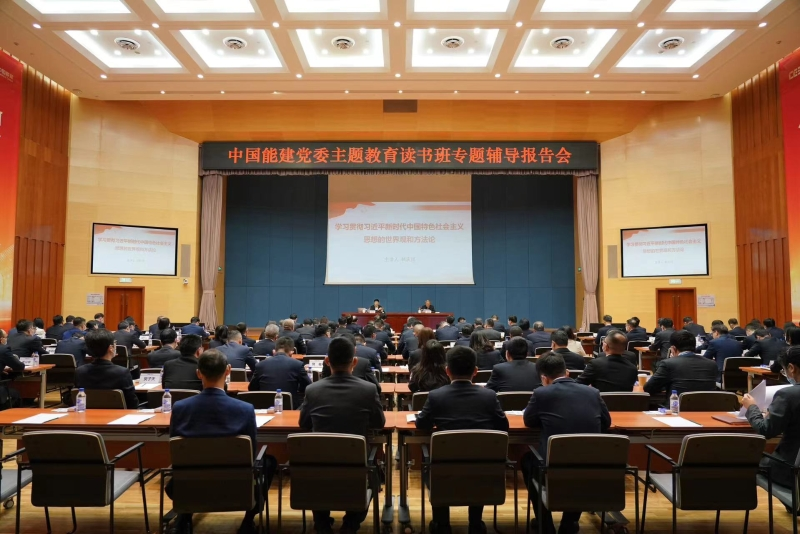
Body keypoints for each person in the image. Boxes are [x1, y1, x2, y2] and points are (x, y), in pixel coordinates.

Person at [169, 349, 276, 534]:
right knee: (269, 462)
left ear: (198, 373)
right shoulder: (244, 409)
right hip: (236, 487)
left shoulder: (180, 408)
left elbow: (175, 448)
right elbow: (252, 452)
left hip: (191, 485)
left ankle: (184, 516)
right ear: (228, 370)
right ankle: (248, 522)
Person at [415, 346, 508, 534]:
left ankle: (442, 524)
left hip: (444, 468)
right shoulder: (489, 396)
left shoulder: (436, 396)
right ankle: (475, 523)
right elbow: (503, 426)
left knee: (431, 464)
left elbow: (421, 424)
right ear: (475, 371)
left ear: (447, 371)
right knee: (476, 464)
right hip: (482, 467)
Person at [299, 336, 385, 534]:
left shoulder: (312, 390)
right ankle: (350, 525)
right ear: (354, 361)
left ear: (327, 361)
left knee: (320, 475)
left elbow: (303, 424)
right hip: (356, 463)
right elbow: (379, 423)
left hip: (319, 464)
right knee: (374, 475)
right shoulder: (368, 389)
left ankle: (322, 525)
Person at [522, 352, 611, 534]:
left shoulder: (541, 393)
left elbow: (529, 421)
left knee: (527, 461)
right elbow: (606, 423)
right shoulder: (593, 392)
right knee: (579, 466)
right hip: (591, 465)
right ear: (567, 372)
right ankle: (569, 523)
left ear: (543, 378)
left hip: (552, 466)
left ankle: (545, 524)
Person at [742, 346, 800, 491]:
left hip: (790, 469)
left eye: (784, 370)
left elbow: (766, 430)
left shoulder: (788, 395)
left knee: (747, 460)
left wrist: (752, 407)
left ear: (791, 368)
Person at [75, 329, 138, 408]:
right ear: (111, 348)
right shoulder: (122, 372)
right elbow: (132, 403)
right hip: (117, 414)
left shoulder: (80, 371)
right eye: (115, 342)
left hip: (88, 413)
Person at [644, 330, 718, 396]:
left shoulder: (668, 364)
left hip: (677, 406)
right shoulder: (712, 364)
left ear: (673, 349)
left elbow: (648, 388)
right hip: (707, 407)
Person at [249, 337, 311, 404]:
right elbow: (308, 387)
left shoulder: (260, 365)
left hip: (264, 405)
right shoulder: (298, 365)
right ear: (291, 352)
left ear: (274, 351)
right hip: (290, 405)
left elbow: (252, 388)